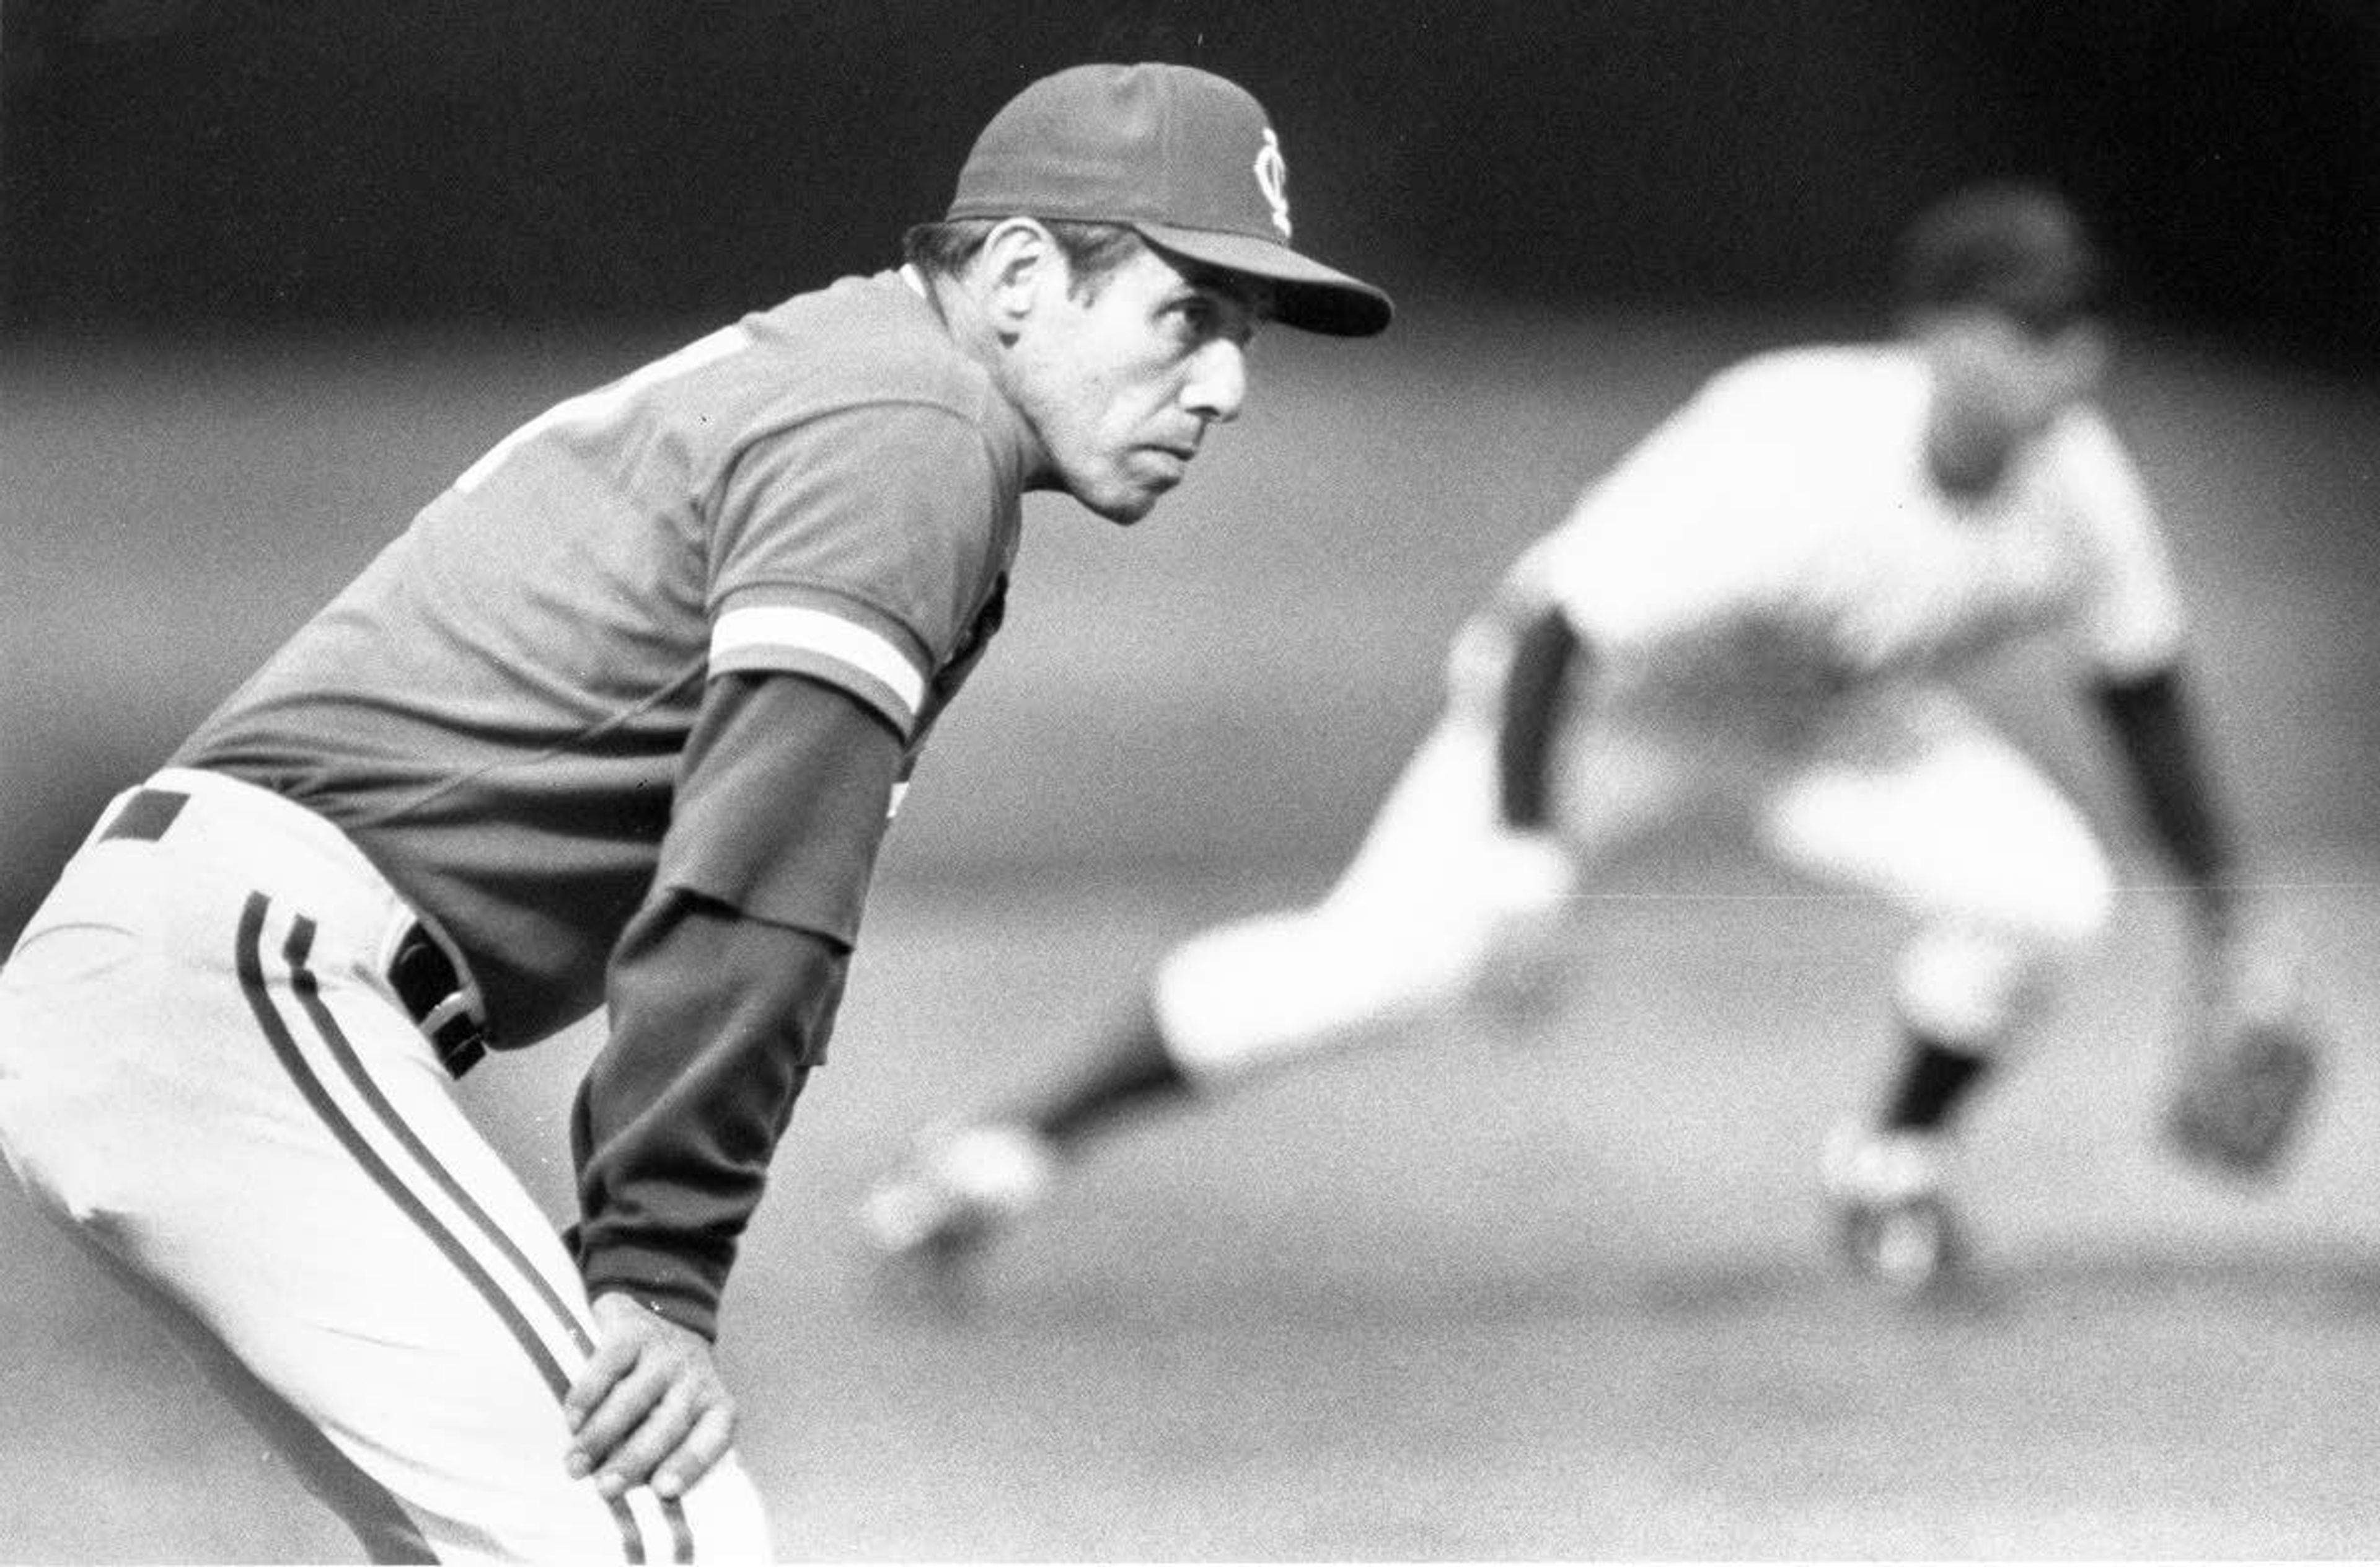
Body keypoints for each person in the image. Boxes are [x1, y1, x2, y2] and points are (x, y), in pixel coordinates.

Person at [0, 61, 1388, 1563]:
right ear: (1018, 275)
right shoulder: (907, 434)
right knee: (666, 1540)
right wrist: (656, 1268)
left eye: (1243, 340)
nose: (1228, 387)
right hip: (236, 989)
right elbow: (756, 883)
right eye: (1188, 318)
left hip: (191, 980)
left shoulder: (857, 380)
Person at [859, 180, 2283, 1300]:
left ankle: (1892, 1164)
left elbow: (2141, 693)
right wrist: (1531, 866)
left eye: (2078, 327)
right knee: (1376, 967)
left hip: (1833, 726)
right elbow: (1560, 632)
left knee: (2049, 894)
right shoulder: (1794, 448)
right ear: (1941, 333)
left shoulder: (2080, 489)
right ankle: (1000, 1153)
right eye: (2029, 326)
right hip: (1604, 715)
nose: (2065, 360)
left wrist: (2233, 934)